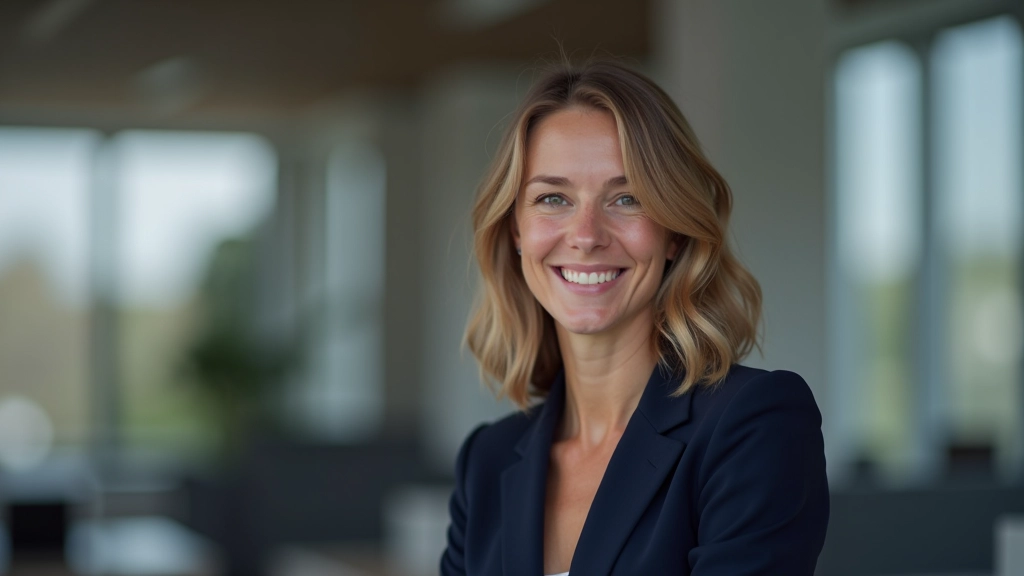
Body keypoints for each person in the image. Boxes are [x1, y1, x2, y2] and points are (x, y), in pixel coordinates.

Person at [440, 60, 829, 576]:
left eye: (627, 198)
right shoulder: (486, 461)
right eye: (552, 198)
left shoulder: (753, 425)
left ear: (674, 232)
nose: (586, 234)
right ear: (515, 230)